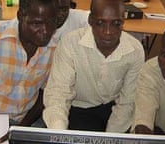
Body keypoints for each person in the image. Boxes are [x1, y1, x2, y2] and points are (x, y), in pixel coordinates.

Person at [43, 0, 145, 133]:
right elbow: (58, 94)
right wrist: (58, 133)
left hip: (116, 107)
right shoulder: (70, 43)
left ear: (123, 21)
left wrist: (111, 138)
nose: (108, 32)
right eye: (100, 23)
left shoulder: (134, 50)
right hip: (80, 108)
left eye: (116, 23)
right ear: (90, 20)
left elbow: (127, 103)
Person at [0, 0, 59, 142]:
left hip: (25, 122)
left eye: (51, 23)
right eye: (36, 24)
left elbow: (44, 96)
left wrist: (21, 130)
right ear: (21, 16)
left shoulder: (54, 49)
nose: (45, 31)